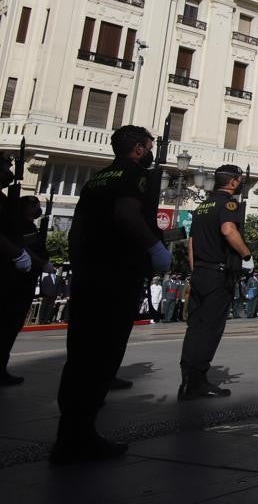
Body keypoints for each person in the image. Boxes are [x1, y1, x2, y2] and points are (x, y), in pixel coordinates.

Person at [52, 125, 172, 464]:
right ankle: (81, 436)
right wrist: (154, 248)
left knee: (79, 354)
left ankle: (70, 433)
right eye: (150, 146)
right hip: (117, 273)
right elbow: (126, 214)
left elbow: (76, 229)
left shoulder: (97, 178)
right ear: (137, 149)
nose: (151, 151)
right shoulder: (136, 175)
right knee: (104, 353)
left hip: (89, 274)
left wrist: (81, 264)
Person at [177, 164, 252, 401]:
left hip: (200, 272)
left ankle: (187, 380)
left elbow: (191, 244)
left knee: (195, 328)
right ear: (232, 182)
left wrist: (195, 269)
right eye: (239, 180)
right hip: (218, 275)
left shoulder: (202, 207)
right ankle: (197, 382)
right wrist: (246, 255)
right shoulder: (229, 204)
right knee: (210, 329)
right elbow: (228, 230)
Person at [2, 191, 52, 385]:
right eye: (34, 204)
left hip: (20, 280)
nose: (37, 207)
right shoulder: (25, 226)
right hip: (20, 281)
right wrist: (42, 263)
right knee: (9, 326)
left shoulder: (21, 226)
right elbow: (28, 250)